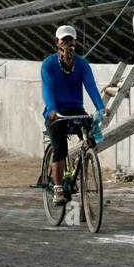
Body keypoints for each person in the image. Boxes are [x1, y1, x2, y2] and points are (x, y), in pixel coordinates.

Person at [41, 23, 105, 209]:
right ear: (57, 43)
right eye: (64, 40)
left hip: (76, 109)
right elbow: (47, 90)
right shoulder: (49, 64)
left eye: (71, 40)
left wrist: (100, 107)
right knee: (60, 149)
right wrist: (52, 109)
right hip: (56, 112)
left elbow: (91, 87)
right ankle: (59, 187)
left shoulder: (82, 65)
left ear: (75, 42)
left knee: (89, 140)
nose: (68, 44)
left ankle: (83, 172)